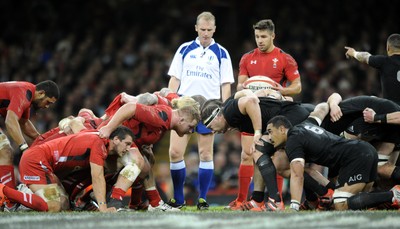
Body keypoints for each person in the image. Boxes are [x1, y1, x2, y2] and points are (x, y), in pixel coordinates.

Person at [266, 104, 400, 211]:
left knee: (340, 204)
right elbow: (321, 108)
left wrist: (294, 206)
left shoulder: (292, 140)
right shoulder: (307, 124)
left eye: (270, 132)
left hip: (355, 156)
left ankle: (394, 195)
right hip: (364, 150)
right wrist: (330, 103)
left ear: (282, 129)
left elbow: (297, 174)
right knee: (360, 202)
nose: (269, 138)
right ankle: (388, 198)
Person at [231, 19, 302, 211]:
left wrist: (281, 91)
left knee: (275, 157)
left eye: (263, 36)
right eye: (257, 36)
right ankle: (241, 200)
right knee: (247, 155)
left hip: (275, 112)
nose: (260, 40)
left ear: (273, 36)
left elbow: (297, 86)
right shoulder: (247, 58)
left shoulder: (285, 58)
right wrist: (249, 89)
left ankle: (271, 199)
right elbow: (240, 84)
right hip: (252, 111)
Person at [166, 11, 234, 210]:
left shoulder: (222, 52)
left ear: (214, 29)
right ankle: (178, 199)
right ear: (196, 28)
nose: (205, 33)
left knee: (206, 154)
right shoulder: (184, 49)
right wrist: (169, 100)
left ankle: (202, 199)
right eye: (202, 29)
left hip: (209, 109)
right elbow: (175, 79)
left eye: (209, 30)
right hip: (184, 107)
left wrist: (226, 112)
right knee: (174, 152)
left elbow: (226, 85)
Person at [201, 89, 309, 211]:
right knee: (262, 155)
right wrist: (272, 95)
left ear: (217, 117)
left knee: (260, 150)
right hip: (286, 116)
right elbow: (253, 93)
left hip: (289, 117)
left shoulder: (229, 112)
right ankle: (258, 199)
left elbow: (251, 101)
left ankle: (276, 200)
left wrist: (257, 131)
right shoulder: (228, 108)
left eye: (211, 126)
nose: (213, 131)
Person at [98, 96, 201, 210]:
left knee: (147, 162)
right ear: (181, 120)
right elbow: (131, 107)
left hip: (124, 140)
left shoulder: (166, 118)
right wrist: (108, 128)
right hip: (113, 137)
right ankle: (115, 201)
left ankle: (151, 203)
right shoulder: (162, 116)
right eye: (191, 127)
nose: (191, 131)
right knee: (138, 161)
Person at [0, 126, 135, 212]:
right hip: (36, 161)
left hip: (45, 164)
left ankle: (25, 197)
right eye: (127, 144)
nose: (128, 148)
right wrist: (103, 207)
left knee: (64, 204)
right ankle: (3, 190)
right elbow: (97, 176)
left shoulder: (97, 136)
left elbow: (76, 123)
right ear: (116, 139)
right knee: (54, 206)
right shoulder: (99, 144)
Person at [0, 80, 59, 199]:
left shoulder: (27, 94)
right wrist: (25, 148)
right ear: (41, 93)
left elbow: (24, 123)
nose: (46, 106)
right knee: (5, 151)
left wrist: (41, 141)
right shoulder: (24, 92)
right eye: (48, 102)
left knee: (5, 152)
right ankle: (9, 200)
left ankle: (8, 200)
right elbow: (10, 121)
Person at [345, 33, 400, 105]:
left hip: (391, 110)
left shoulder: (384, 61)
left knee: (371, 100)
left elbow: (365, 57)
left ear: (388, 48)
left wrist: (353, 53)